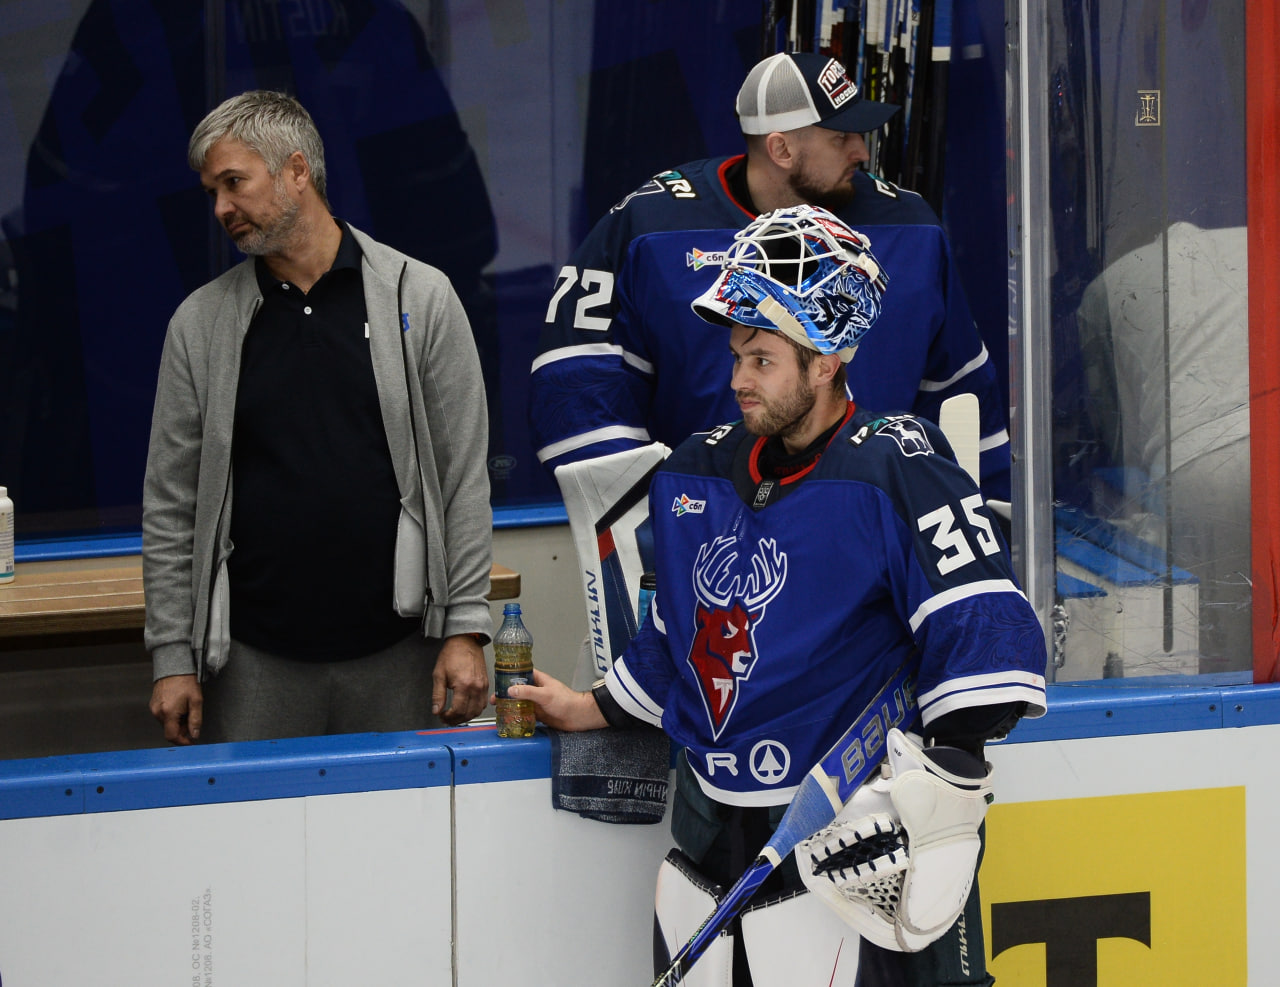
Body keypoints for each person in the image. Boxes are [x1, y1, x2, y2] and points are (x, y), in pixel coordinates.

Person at [511, 206, 1047, 986]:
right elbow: (678, 641)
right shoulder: (693, 471)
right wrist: (590, 705)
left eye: (761, 358)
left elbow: (986, 637)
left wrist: (941, 787)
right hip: (713, 833)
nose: (738, 379)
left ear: (825, 360)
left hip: (848, 843)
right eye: (737, 355)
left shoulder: (896, 467)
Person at [144, 91, 493, 745]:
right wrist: (171, 655)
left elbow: (462, 477)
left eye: (234, 183)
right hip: (250, 660)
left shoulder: (419, 297)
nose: (221, 208)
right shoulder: (200, 324)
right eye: (212, 192)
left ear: (296, 171)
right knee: (257, 817)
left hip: (402, 653)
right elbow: (171, 504)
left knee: (404, 815)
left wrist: (466, 628)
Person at [529, 50, 1011, 506]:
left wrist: (970, 520)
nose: (862, 151)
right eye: (841, 137)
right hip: (715, 532)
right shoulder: (650, 228)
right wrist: (653, 524)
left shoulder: (913, 227)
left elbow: (963, 394)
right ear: (780, 148)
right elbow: (576, 386)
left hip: (872, 528)